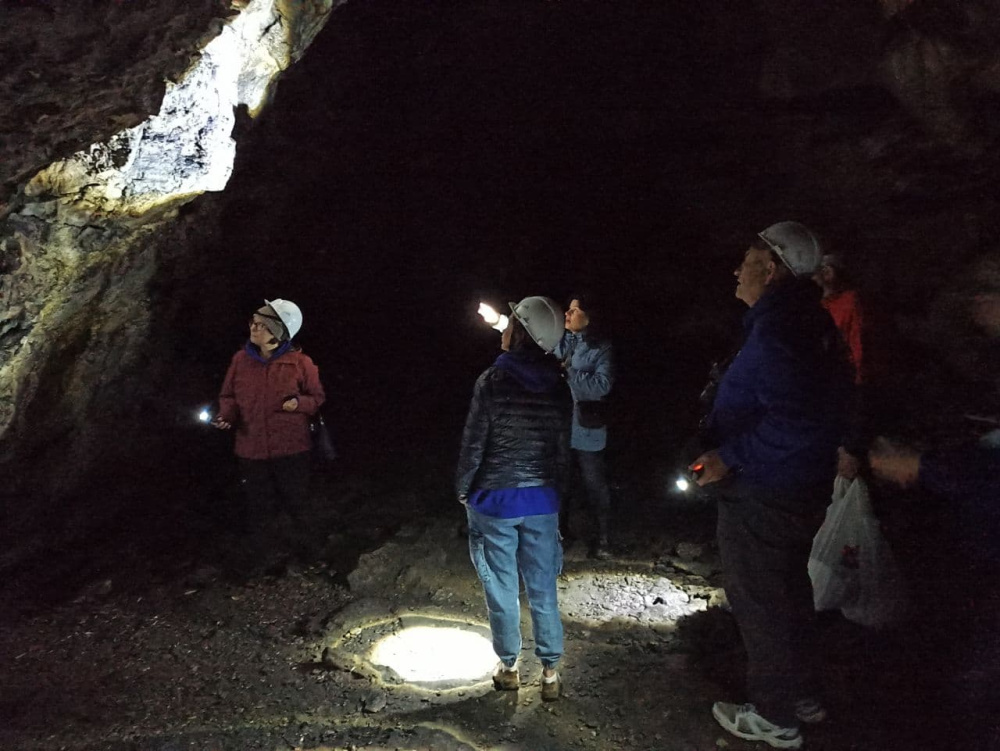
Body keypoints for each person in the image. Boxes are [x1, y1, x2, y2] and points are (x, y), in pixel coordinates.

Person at [690, 222, 853, 749]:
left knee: (761, 602)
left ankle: (775, 716)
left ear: (772, 268)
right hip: (799, 484)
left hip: (766, 490)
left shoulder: (782, 329)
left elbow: (797, 420)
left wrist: (728, 455)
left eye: (747, 261)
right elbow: (833, 401)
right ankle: (800, 692)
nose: (737, 271)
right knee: (790, 593)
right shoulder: (809, 321)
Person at [869, 259, 1000, 749]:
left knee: (975, 684)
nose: (978, 301)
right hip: (981, 546)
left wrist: (922, 467)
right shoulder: (981, 361)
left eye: (990, 290)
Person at [457, 296, 572, 702]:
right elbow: (562, 451)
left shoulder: (492, 380)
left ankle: (509, 668)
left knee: (502, 589)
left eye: (511, 323)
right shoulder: (560, 386)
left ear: (520, 332)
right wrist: (557, 495)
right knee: (543, 588)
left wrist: (463, 489)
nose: (503, 327)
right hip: (542, 501)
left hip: (495, 500)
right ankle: (550, 673)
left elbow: (474, 442)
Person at [213, 299, 325, 563]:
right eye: (253, 322)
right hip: (251, 448)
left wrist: (299, 404)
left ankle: (312, 554)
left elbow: (317, 398)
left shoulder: (301, 363)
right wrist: (226, 416)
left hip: (291, 448)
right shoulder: (240, 360)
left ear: (278, 332)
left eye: (262, 324)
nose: (254, 327)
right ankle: (264, 560)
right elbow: (228, 396)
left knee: (297, 502)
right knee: (258, 506)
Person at [551, 293, 615, 559]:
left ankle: (603, 539)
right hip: (561, 426)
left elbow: (602, 386)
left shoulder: (602, 348)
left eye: (574, 311)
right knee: (560, 482)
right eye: (568, 309)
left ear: (589, 317)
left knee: (594, 483)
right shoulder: (562, 340)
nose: (567, 314)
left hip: (588, 427)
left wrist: (568, 373)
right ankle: (559, 536)